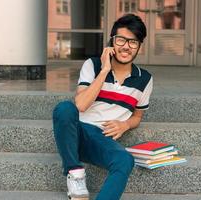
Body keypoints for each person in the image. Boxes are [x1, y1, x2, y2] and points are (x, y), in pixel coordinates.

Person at [52, 13, 153, 200]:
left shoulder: (145, 79)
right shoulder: (93, 65)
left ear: (139, 47)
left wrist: (125, 125)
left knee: (124, 160)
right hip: (77, 132)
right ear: (112, 42)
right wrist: (105, 70)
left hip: (100, 139)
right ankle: (75, 173)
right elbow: (81, 104)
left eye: (133, 42)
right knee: (65, 108)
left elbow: (137, 116)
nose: (126, 46)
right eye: (121, 40)